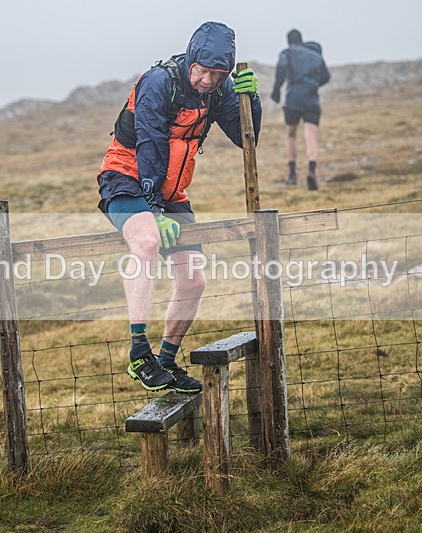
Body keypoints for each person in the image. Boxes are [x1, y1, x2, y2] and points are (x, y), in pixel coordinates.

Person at [96, 21, 262, 393]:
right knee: (146, 243)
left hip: (171, 193)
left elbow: (246, 138)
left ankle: (167, 361)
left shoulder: (219, 89)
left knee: (194, 280)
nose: (207, 80)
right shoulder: (159, 82)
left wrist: (250, 100)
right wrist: (155, 213)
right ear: (190, 60)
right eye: (202, 71)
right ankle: (139, 353)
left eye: (217, 75)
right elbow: (150, 144)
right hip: (125, 178)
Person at [271, 29, 330, 189]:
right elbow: (326, 76)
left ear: (289, 42)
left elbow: (281, 67)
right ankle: (311, 171)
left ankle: (292, 175)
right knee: (311, 136)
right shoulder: (316, 55)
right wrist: (312, 84)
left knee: (291, 135)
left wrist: (276, 90)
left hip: (293, 99)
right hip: (312, 99)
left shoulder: (287, 53)